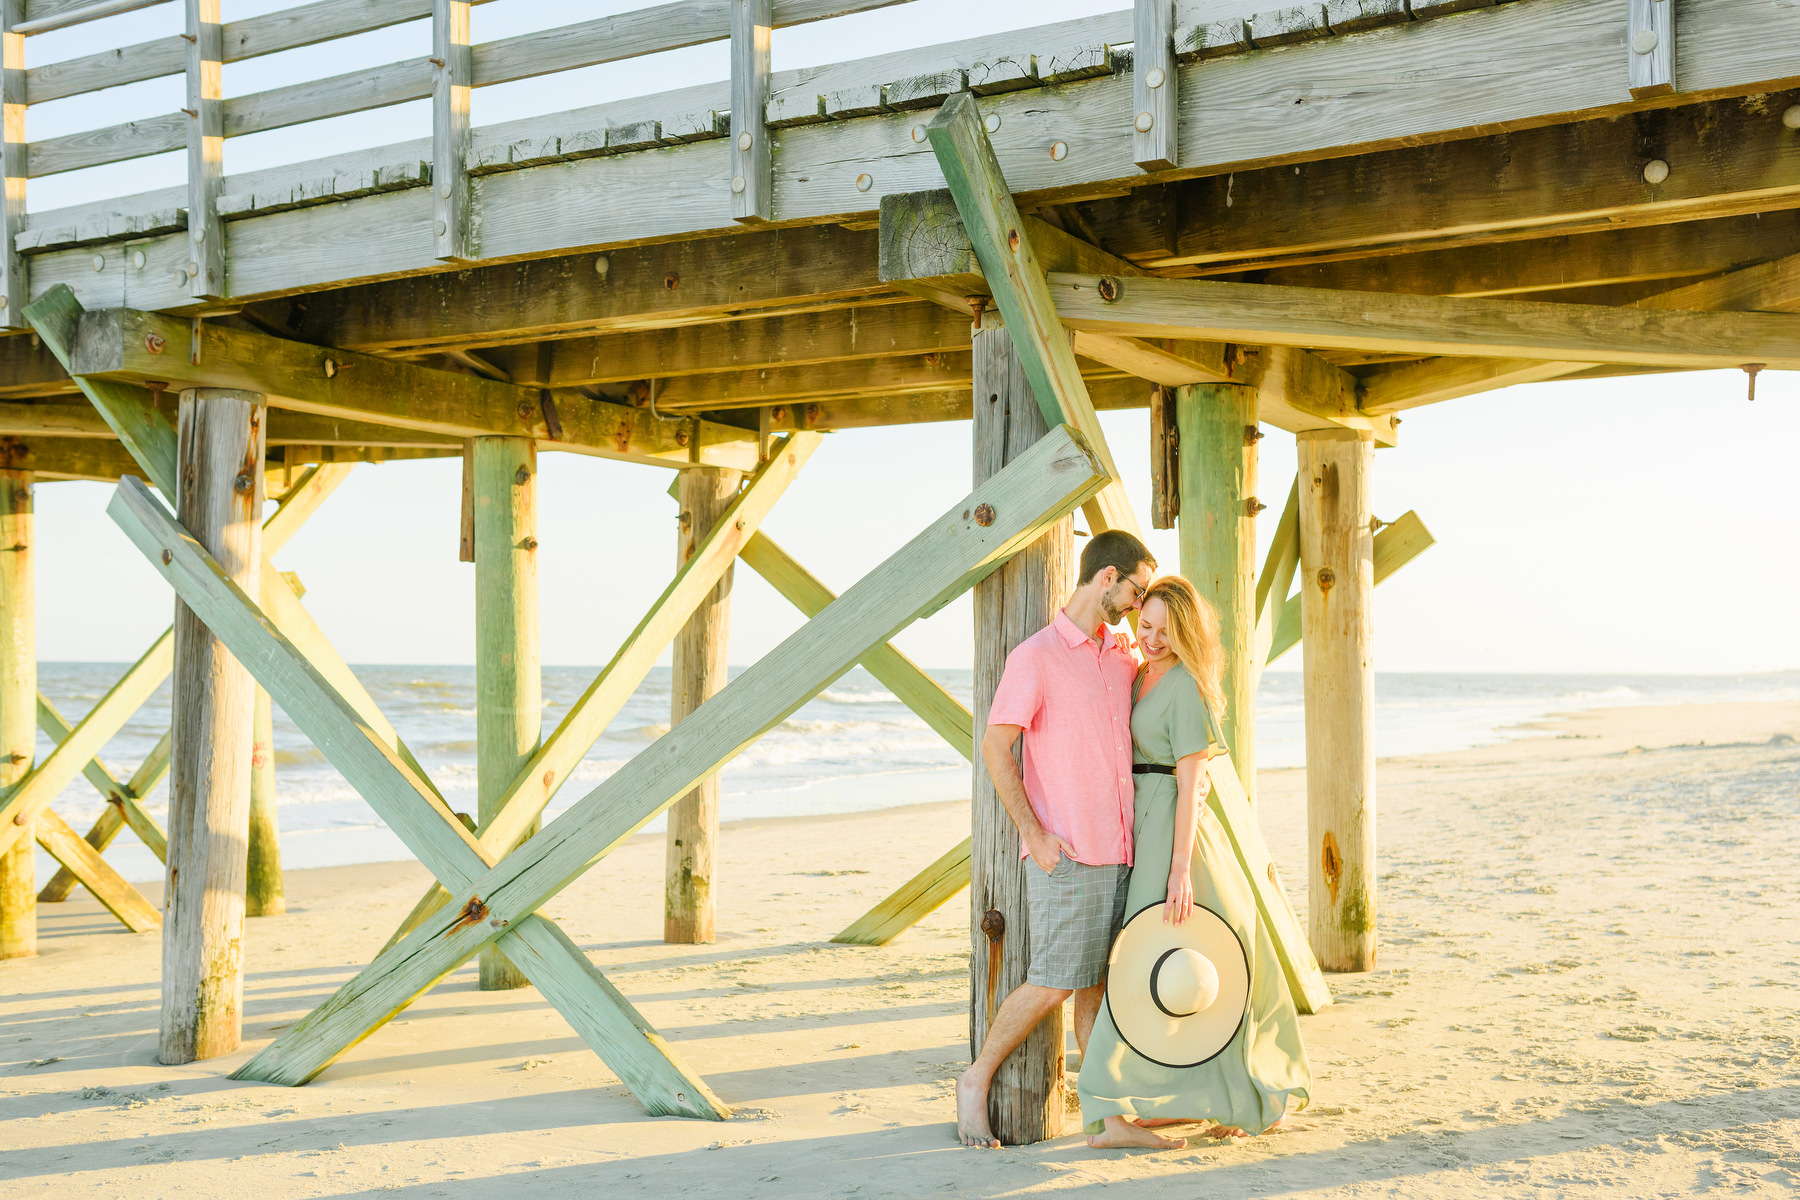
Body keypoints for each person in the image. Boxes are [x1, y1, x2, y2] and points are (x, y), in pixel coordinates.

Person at [1077, 575, 1311, 1150]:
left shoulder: (1185, 686)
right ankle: (1153, 1104)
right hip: (1144, 829)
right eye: (1146, 624)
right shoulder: (1139, 673)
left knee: (1185, 959)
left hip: (1175, 838)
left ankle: (1124, 1110)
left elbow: (1192, 783)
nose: (1151, 637)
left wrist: (1179, 867)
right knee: (1154, 960)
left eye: (1165, 629)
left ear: (1186, 632)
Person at [954, 529, 1156, 1150]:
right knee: (1054, 980)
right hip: (1067, 851)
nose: (1139, 603)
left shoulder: (1121, 657)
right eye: (1137, 590)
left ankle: (1105, 1120)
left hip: (1119, 849)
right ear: (1107, 578)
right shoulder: (1036, 656)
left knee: (1096, 985)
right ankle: (974, 1080)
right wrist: (1033, 834)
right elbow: (995, 746)